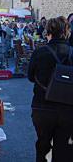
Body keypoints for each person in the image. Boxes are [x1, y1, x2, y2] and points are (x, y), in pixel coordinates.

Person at [28, 16, 73, 162]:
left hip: (42, 107)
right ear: (67, 31)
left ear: (48, 32)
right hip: (68, 109)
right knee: (64, 149)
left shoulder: (40, 52)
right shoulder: (72, 52)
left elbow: (30, 77)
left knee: (43, 146)